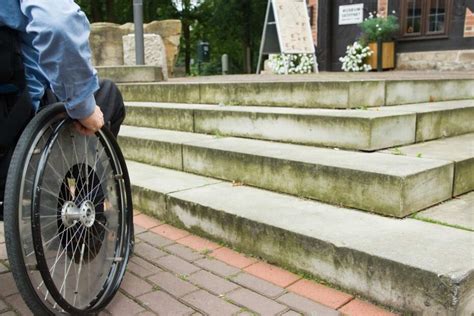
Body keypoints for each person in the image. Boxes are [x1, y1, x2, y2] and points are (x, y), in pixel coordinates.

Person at [0, 1, 126, 220]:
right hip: (13, 127)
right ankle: (90, 217)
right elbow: (58, 24)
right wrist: (83, 108)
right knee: (107, 94)